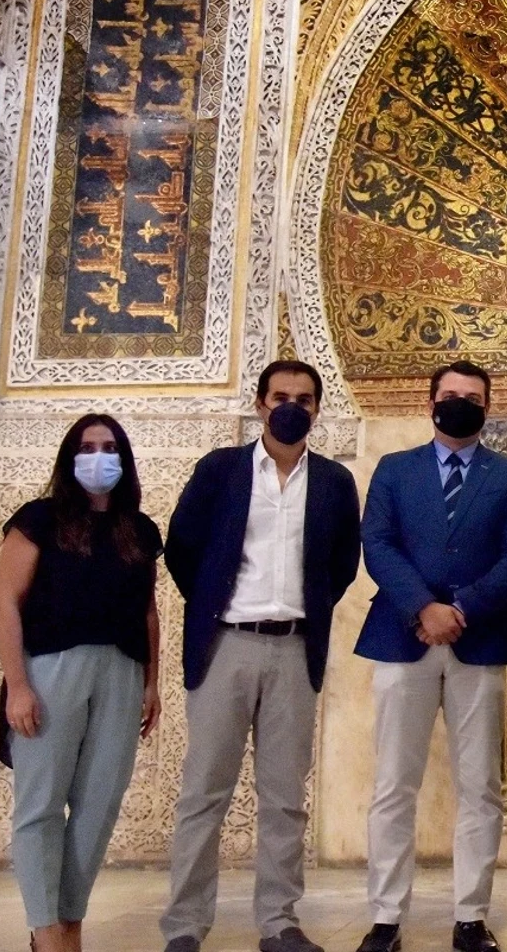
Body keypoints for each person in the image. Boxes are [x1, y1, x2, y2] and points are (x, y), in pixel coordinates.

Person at [159, 361, 364, 952]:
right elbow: (182, 550)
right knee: (204, 792)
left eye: (303, 398)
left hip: (295, 648)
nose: (291, 406)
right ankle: (185, 926)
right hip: (226, 644)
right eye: (281, 396)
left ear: (318, 409)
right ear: (259, 403)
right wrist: (214, 602)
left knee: (283, 796)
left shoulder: (332, 482)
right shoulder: (221, 470)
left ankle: (278, 921)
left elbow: (341, 566)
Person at [353, 361, 507, 952]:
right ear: (431, 401)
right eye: (450, 395)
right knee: (392, 784)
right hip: (402, 637)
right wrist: (423, 608)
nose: (460, 403)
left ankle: (470, 916)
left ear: (487, 407)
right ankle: (385, 918)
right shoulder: (394, 470)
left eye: (472, 397)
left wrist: (461, 608)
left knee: (480, 786)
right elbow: (377, 545)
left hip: (477, 639)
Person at [0, 414, 162, 952]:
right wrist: (17, 684)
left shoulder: (138, 529)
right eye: (88, 447)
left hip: (122, 670)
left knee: (98, 805)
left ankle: (70, 924)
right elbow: (6, 602)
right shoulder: (37, 520)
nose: (99, 456)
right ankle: (46, 932)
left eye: (109, 447)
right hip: (50, 669)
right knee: (41, 803)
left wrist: (151, 683)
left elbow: (149, 611)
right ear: (70, 457)